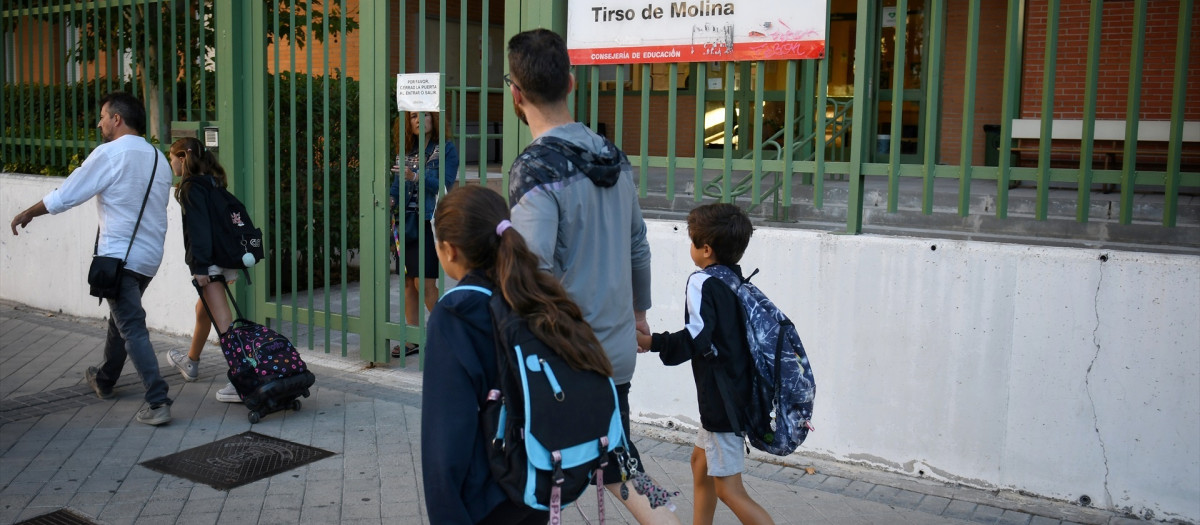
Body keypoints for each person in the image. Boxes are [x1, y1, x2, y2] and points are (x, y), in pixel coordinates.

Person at [504, 29, 670, 523]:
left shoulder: (535, 169)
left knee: (532, 473)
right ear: (571, 82)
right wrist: (639, 317)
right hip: (615, 351)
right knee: (619, 462)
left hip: (565, 359)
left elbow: (534, 277)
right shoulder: (613, 157)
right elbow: (637, 244)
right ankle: (667, 515)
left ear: (515, 91)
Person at [421, 185, 613, 524]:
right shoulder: (533, 294)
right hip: (534, 483)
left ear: (449, 250)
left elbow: (446, 438)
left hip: (484, 499)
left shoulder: (455, 314)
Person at [9, 92, 174, 426]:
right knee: (122, 320)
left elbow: (68, 193)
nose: (99, 123)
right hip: (148, 258)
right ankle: (105, 378)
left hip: (118, 258)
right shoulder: (158, 157)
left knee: (132, 327)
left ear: (117, 118)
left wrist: (30, 212)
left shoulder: (111, 153)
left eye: (103, 116)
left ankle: (158, 401)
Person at [635, 203, 774, 525]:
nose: (691, 248)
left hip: (722, 399)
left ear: (706, 249)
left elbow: (698, 338)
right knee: (700, 463)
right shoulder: (736, 281)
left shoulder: (702, 281)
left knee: (730, 490)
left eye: (692, 241)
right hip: (737, 390)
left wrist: (652, 343)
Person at [164, 136, 242, 403]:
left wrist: (200, 267)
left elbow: (199, 231)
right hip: (223, 257)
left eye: (172, 157)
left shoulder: (191, 187)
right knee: (203, 311)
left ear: (183, 158)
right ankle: (191, 361)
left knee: (223, 321)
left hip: (208, 261)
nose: (171, 163)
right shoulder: (213, 182)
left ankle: (243, 379)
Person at [388, 110, 459, 359]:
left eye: (425, 115)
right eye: (413, 117)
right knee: (409, 282)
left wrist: (415, 176)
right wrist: (391, 198)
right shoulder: (405, 151)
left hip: (429, 222)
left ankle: (450, 334)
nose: (419, 120)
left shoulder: (446, 149)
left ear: (434, 119)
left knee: (425, 283)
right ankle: (413, 339)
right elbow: (397, 185)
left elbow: (445, 183)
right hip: (405, 224)